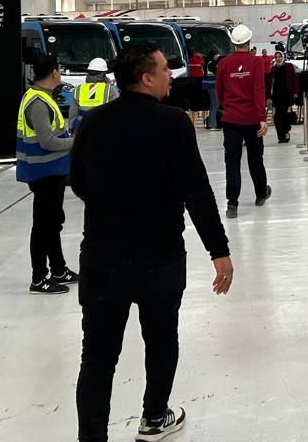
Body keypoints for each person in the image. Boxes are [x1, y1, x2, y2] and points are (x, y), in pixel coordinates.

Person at [71, 44, 233, 442]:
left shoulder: (93, 122)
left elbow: (77, 181)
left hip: (103, 256)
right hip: (158, 256)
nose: (169, 76)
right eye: (163, 69)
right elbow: (196, 191)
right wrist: (219, 250)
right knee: (160, 340)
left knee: (97, 356)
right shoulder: (173, 122)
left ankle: (92, 437)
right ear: (146, 78)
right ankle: (154, 418)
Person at [17, 53, 77, 294]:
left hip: (52, 171)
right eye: (59, 69)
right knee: (43, 226)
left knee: (53, 222)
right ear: (54, 72)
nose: (61, 73)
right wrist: (76, 142)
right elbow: (48, 141)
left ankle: (59, 269)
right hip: (44, 173)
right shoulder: (38, 103)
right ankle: (39, 277)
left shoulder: (41, 97)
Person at [216, 25, 270, 219]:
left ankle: (232, 204)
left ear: (233, 43)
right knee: (255, 158)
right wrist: (262, 118)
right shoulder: (256, 62)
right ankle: (261, 193)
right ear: (249, 41)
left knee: (232, 162)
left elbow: (219, 91)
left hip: (231, 120)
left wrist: (225, 107)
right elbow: (258, 91)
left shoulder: (224, 64)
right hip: (252, 119)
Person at [68, 57, 119, 134]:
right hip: (102, 126)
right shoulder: (109, 89)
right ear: (103, 74)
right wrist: (110, 85)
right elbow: (117, 110)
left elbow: (73, 112)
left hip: (81, 126)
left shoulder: (78, 89)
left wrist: (71, 127)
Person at [269, 50, 299, 143]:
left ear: (283, 57)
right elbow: (270, 83)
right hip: (276, 96)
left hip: (286, 94)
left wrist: (295, 92)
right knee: (277, 117)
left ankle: (286, 132)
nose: (278, 59)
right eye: (276, 57)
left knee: (284, 115)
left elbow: (294, 79)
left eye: (280, 56)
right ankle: (281, 136)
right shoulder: (273, 69)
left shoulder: (289, 66)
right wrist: (269, 96)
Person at [203, 50, 221, 130]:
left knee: (213, 105)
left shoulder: (207, 63)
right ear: (213, 55)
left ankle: (210, 123)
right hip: (212, 86)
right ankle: (212, 124)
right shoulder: (211, 64)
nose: (218, 56)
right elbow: (218, 73)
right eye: (216, 54)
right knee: (216, 104)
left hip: (208, 86)